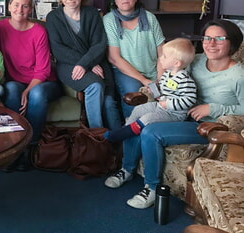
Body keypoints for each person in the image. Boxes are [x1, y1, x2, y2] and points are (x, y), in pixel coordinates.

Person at [104, 19, 243, 209]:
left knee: (150, 132)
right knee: (138, 120)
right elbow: (174, 76)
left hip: (208, 127)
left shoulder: (239, 75)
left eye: (219, 38)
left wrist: (213, 108)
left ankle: (152, 188)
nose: (211, 43)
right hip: (182, 113)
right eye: (207, 38)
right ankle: (127, 169)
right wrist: (158, 89)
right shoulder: (197, 60)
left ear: (232, 43)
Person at [0, 0, 62, 171]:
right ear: (9, 7)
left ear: (30, 9)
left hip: (44, 82)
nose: (20, 9)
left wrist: (28, 90)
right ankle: (13, 147)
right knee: (10, 88)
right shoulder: (0, 28)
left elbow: (44, 69)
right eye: (16, 5)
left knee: (37, 93)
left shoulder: (39, 31)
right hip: (15, 80)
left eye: (25, 6)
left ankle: (30, 147)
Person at [46, 0, 121, 130]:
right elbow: (58, 50)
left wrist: (87, 63)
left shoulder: (92, 13)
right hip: (68, 65)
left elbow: (99, 44)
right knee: (95, 86)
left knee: (108, 101)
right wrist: (86, 64)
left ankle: (117, 141)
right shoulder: (53, 17)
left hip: (96, 61)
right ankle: (95, 134)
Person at [105, 38, 197, 142]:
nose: (160, 58)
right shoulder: (167, 74)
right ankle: (126, 129)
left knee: (147, 118)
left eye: (164, 56)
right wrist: (154, 90)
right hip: (160, 106)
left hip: (174, 114)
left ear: (176, 63)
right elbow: (163, 89)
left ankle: (123, 134)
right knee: (138, 109)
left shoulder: (184, 80)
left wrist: (168, 104)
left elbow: (190, 99)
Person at [103, 0, 166, 119]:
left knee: (166, 94)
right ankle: (131, 133)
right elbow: (114, 58)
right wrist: (144, 80)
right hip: (126, 72)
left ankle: (153, 132)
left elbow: (162, 53)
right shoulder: (109, 20)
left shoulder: (150, 18)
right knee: (135, 94)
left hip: (154, 70)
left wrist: (160, 79)